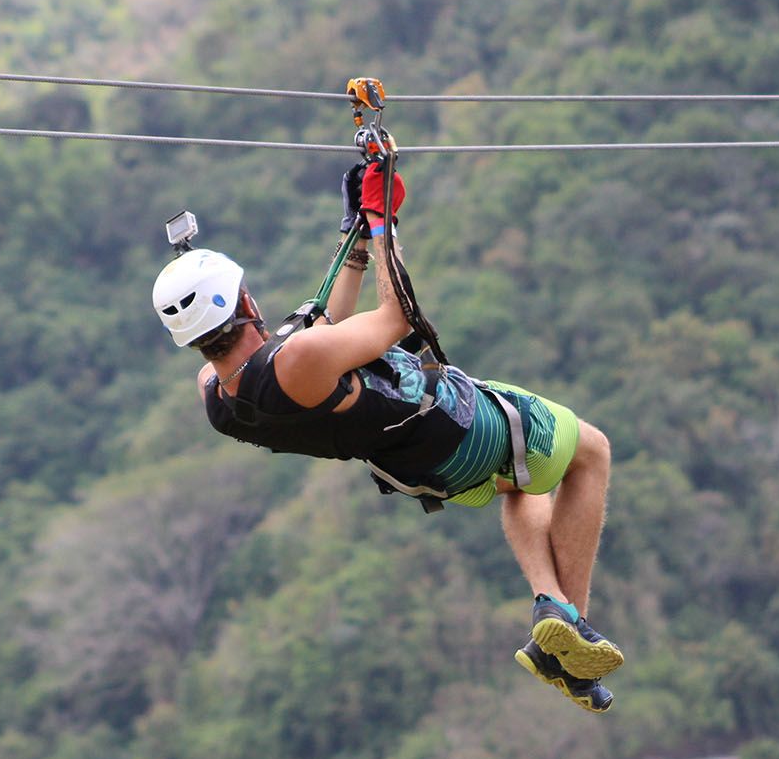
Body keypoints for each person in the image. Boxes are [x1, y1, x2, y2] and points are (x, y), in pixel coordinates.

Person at [151, 159, 625, 712]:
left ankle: (549, 604)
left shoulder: (217, 396)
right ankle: (572, 627)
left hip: (416, 473)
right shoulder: (296, 360)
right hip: (458, 426)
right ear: (245, 303)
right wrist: (382, 225)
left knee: (525, 487)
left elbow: (320, 334)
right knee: (591, 453)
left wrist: (351, 242)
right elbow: (396, 318)